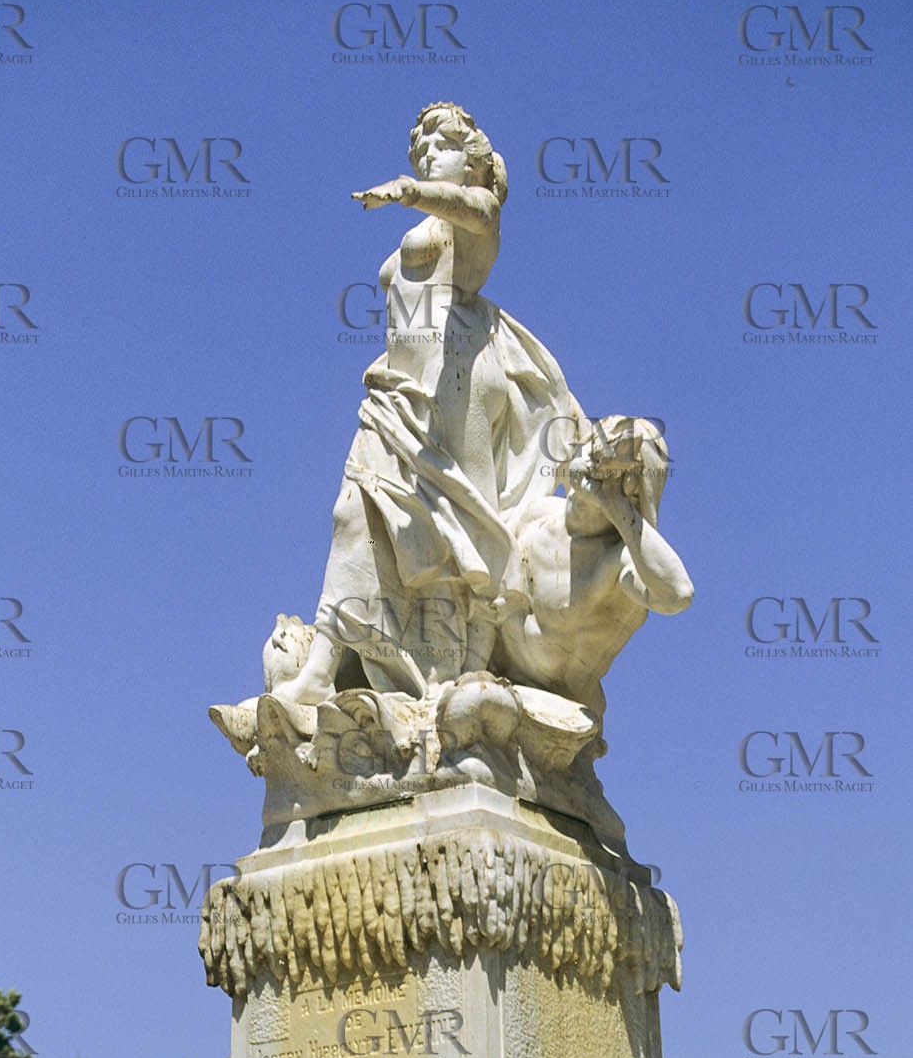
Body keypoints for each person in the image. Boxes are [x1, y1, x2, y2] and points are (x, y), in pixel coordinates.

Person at [273, 102, 587, 705]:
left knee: (460, 524)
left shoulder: (468, 214)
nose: (424, 160)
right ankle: (321, 665)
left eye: (437, 151)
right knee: (353, 514)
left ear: (469, 160)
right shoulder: (427, 222)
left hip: (461, 374)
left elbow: (479, 208)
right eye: (418, 155)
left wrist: (413, 190)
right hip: (401, 390)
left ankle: (465, 668)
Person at [492, 417, 694, 718]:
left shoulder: (620, 562)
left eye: (604, 465)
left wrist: (615, 506)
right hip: (486, 666)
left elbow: (678, 594)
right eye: (590, 451)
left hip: (553, 715)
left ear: (631, 490)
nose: (589, 466)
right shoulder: (538, 513)